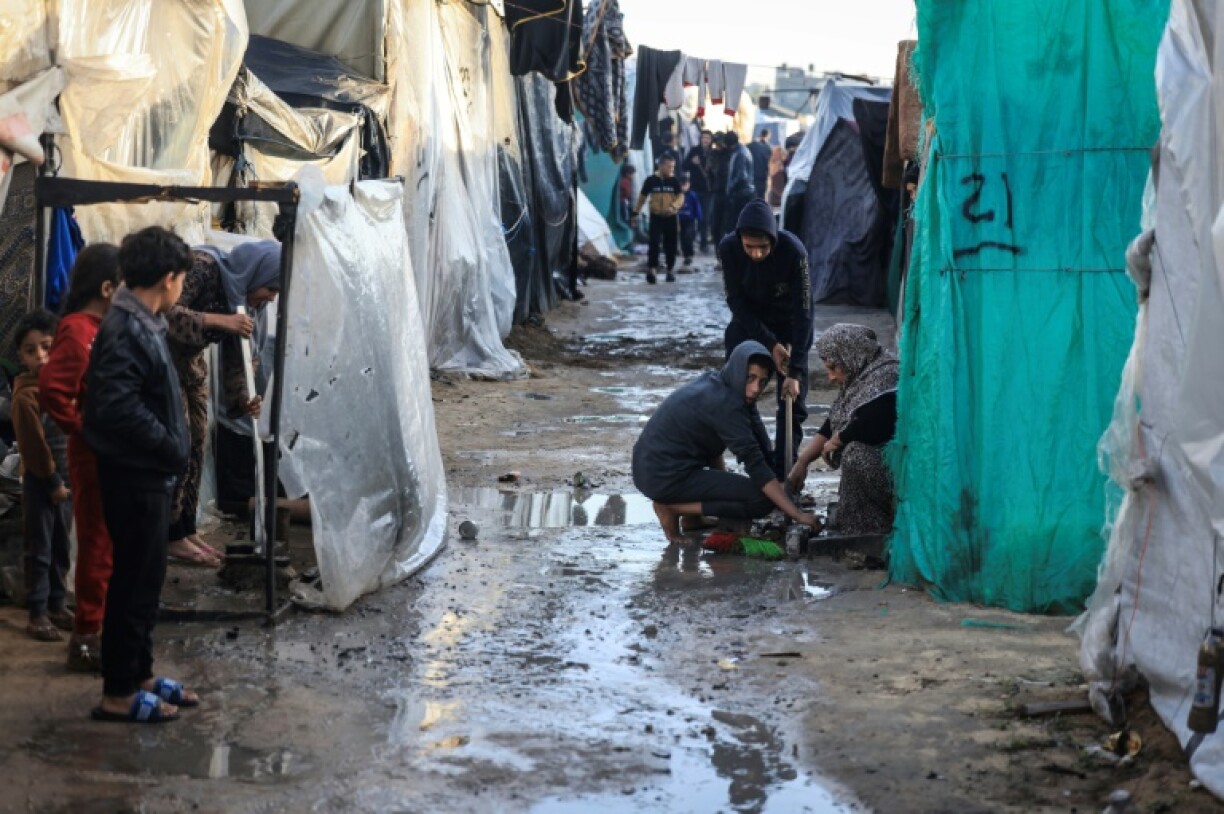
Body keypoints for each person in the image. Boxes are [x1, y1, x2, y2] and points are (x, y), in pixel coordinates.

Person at [84, 225, 195, 724]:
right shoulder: (127, 327)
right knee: (132, 582)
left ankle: (140, 674)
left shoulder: (142, 320)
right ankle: (117, 692)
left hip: (147, 472)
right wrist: (169, 445)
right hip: (134, 474)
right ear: (169, 278)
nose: (181, 288)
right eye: (182, 279)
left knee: (146, 581)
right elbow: (117, 407)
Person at [632, 340, 820, 544]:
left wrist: (727, 490)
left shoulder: (718, 383)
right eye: (750, 378)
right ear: (738, 372)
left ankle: (692, 518)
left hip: (648, 468)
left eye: (762, 381)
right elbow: (755, 464)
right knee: (762, 500)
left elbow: (724, 446)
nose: (755, 389)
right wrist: (797, 514)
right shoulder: (725, 405)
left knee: (735, 484)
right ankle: (671, 508)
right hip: (663, 476)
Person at [165, 241, 279, 567]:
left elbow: (237, 356)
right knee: (179, 444)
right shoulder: (203, 267)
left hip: (190, 368)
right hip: (162, 364)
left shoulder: (243, 300)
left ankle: (185, 528)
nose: (272, 297)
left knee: (197, 444)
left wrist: (245, 397)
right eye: (271, 288)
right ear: (257, 273)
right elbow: (166, 312)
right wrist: (217, 320)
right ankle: (169, 534)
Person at [38, 243, 120, 670]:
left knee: (107, 542)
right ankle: (87, 636)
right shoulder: (76, 329)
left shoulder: (97, 328)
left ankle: (98, 627)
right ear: (107, 288)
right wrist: (82, 427)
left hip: (105, 451)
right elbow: (53, 389)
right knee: (97, 543)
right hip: (92, 455)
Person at [720, 198, 813, 477]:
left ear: (773, 239)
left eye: (762, 247)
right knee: (739, 395)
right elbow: (736, 302)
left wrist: (795, 370)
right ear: (740, 240)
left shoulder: (794, 252)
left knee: (793, 400)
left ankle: (784, 472)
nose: (756, 254)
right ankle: (761, 468)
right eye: (749, 247)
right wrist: (769, 344)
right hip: (749, 325)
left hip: (788, 327)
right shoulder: (728, 248)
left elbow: (804, 312)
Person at [788, 324, 898, 536]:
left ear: (850, 355)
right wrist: (803, 462)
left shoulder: (886, 375)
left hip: (898, 471)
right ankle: (857, 522)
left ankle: (874, 529)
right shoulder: (860, 375)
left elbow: (874, 422)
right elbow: (835, 421)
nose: (830, 377)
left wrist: (840, 439)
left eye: (833, 368)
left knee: (855, 454)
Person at [11, 310, 73, 642]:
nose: (41, 356)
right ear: (20, 357)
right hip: (41, 482)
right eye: (31, 350)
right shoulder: (26, 394)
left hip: (66, 480)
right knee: (40, 547)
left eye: (47, 347)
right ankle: (37, 613)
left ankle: (57, 604)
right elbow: (33, 444)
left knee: (61, 544)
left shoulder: (62, 386)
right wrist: (53, 481)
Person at [630, 154, 684, 284]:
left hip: (670, 217)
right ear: (661, 166)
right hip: (656, 217)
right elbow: (642, 198)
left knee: (670, 245)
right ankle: (652, 270)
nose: (671, 169)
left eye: (673, 167)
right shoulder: (651, 181)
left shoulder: (674, 181)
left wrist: (673, 207)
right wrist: (635, 213)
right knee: (654, 243)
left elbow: (681, 197)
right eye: (669, 167)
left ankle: (670, 270)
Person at [721, 131, 756, 241]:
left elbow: (741, 175)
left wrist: (730, 188)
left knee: (737, 223)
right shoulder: (742, 150)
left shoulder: (740, 153)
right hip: (744, 193)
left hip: (741, 194)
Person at [683, 130, 714, 251]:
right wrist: (692, 162)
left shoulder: (713, 153)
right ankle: (689, 243)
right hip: (694, 189)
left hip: (708, 190)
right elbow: (684, 166)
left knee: (705, 218)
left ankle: (703, 243)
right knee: (691, 216)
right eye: (703, 138)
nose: (705, 140)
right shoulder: (694, 151)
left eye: (708, 138)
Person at [677, 173, 703, 270]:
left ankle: (690, 254)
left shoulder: (692, 195)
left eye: (685, 184)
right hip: (681, 220)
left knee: (688, 237)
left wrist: (699, 218)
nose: (684, 187)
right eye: (682, 185)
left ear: (689, 184)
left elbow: (697, 207)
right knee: (682, 238)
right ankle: (685, 255)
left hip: (690, 220)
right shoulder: (677, 195)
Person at [748, 129, 773, 199]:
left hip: (751, 177)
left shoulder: (750, 146)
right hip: (762, 178)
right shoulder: (768, 148)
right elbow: (769, 165)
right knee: (760, 198)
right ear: (768, 136)